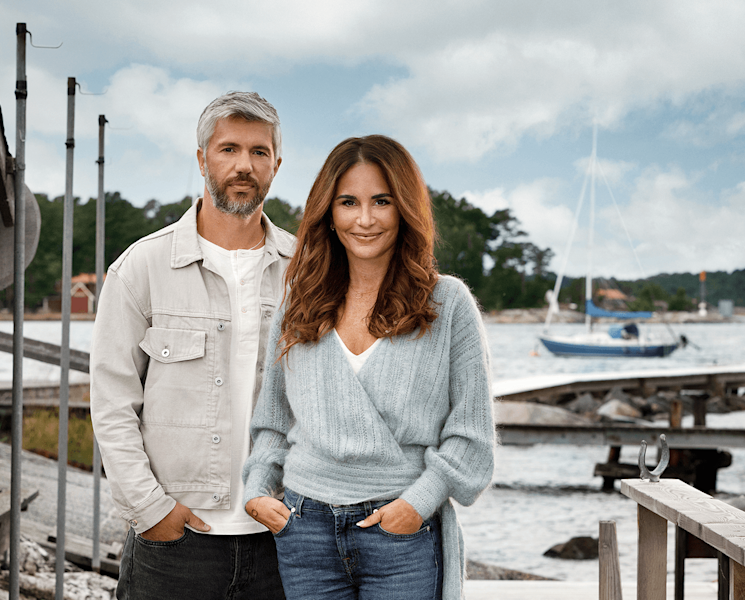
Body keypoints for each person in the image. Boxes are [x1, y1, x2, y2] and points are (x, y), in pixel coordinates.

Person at [242, 135, 496, 600]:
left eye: (382, 201)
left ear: (405, 209)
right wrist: (258, 489)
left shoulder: (448, 304)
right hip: (304, 532)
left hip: (401, 534)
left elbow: (471, 436)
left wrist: (417, 506)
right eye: (348, 202)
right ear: (329, 214)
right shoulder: (298, 304)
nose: (364, 219)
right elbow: (272, 422)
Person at [90, 91, 293, 600]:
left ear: (276, 164)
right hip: (175, 546)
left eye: (259, 151)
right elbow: (112, 404)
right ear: (201, 158)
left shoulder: (307, 270)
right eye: (228, 149)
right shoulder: (141, 268)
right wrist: (152, 511)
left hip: (284, 539)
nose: (244, 165)